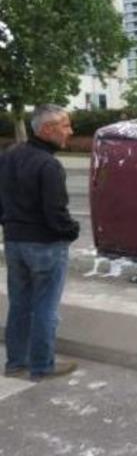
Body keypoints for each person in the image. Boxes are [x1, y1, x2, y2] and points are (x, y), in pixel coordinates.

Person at [0, 104, 79, 381]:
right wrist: (71, 231)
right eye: (65, 125)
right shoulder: (49, 165)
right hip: (45, 245)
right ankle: (42, 365)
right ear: (47, 129)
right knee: (46, 307)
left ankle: (16, 363)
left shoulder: (9, 156)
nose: (70, 131)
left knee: (20, 304)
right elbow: (56, 213)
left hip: (14, 243)